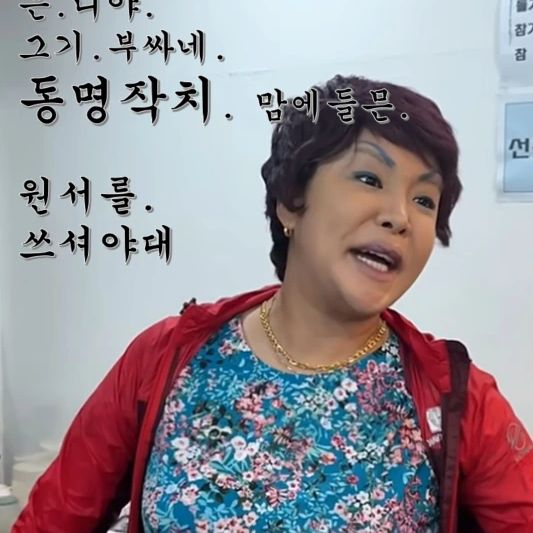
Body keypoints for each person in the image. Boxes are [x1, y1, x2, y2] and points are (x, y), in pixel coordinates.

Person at [12, 74, 533, 533]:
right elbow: (53, 519)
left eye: (424, 200)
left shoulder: (457, 396)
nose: (400, 216)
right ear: (291, 201)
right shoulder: (166, 359)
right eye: (369, 179)